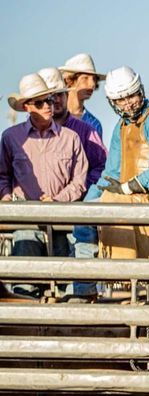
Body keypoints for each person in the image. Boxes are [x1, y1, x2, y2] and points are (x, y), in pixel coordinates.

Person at [0, 73, 88, 298]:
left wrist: (58, 200)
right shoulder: (11, 138)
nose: (49, 106)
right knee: (26, 283)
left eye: (49, 100)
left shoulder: (71, 138)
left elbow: (79, 180)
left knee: (64, 281)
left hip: (62, 218)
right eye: (41, 102)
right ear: (28, 107)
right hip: (26, 218)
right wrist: (7, 198)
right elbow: (2, 175)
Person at [85, 66, 149, 260]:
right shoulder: (122, 126)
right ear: (112, 101)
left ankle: (121, 268)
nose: (127, 104)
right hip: (129, 195)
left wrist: (127, 188)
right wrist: (85, 205)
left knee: (111, 202)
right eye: (120, 100)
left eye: (131, 97)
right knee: (85, 216)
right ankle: (86, 283)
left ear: (140, 91)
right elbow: (111, 174)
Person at [37, 67, 106, 189]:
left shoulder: (87, 130)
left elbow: (101, 166)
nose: (56, 100)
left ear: (66, 94)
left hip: (75, 203)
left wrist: (82, 189)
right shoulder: (22, 135)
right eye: (50, 97)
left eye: (60, 94)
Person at [59, 53, 106, 139]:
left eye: (94, 79)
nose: (92, 84)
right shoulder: (54, 118)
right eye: (85, 78)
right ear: (69, 81)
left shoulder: (94, 123)